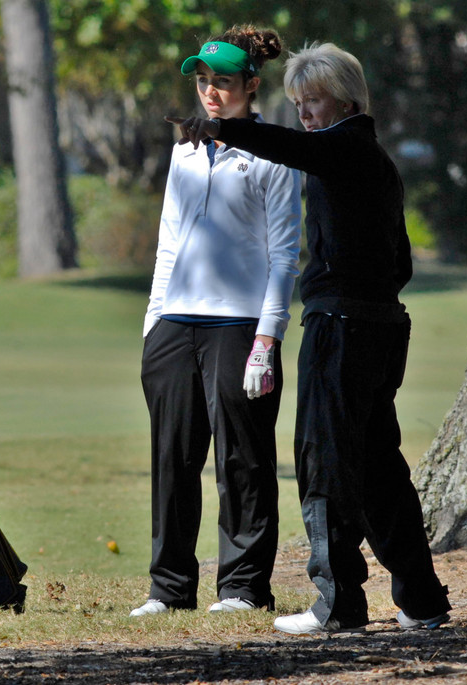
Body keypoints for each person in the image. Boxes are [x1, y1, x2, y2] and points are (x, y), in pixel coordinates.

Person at [169, 42, 451, 634]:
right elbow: (399, 260)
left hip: (343, 328)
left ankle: (337, 602)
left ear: (345, 99)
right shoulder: (374, 158)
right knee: (377, 467)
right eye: (298, 102)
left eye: (314, 100)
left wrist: (224, 128)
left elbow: (294, 148)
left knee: (323, 460)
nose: (305, 113)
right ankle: (421, 601)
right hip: (379, 324)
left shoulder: (345, 147)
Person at [130, 25, 302, 617]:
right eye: (203, 81)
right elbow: (169, 244)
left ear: (250, 86)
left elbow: (285, 254)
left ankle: (242, 588)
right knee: (172, 459)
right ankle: (169, 590)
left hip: (241, 325)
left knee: (243, 461)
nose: (209, 92)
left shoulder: (273, 152)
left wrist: (267, 339)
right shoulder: (183, 148)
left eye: (222, 82)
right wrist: (153, 325)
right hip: (176, 324)